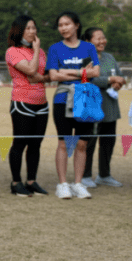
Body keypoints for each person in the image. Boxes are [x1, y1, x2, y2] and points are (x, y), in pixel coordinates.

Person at [46, 11, 100, 200]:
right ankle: (62, 184)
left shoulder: (88, 47)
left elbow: (95, 72)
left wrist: (67, 71)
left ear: (77, 25)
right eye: (60, 25)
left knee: (83, 143)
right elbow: (53, 76)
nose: (64, 28)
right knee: (63, 143)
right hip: (63, 99)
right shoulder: (55, 48)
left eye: (67, 24)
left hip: (86, 98)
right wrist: (81, 72)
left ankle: (78, 183)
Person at [4, 15, 51, 197]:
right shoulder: (13, 51)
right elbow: (31, 71)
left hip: (42, 103)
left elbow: (47, 75)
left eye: (34, 28)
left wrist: (42, 77)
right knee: (20, 143)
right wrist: (37, 49)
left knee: (36, 144)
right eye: (28, 28)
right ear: (19, 31)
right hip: (22, 102)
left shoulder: (42, 53)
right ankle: (16, 182)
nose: (33, 31)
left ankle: (31, 181)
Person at [82, 27, 126, 188]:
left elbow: (120, 76)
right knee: (90, 142)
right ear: (88, 41)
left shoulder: (109, 57)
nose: (102, 41)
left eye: (103, 38)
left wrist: (118, 82)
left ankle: (104, 175)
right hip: (93, 107)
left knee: (108, 141)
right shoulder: (85, 58)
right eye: (98, 38)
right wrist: (110, 79)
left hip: (110, 107)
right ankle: (85, 175)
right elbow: (89, 79)